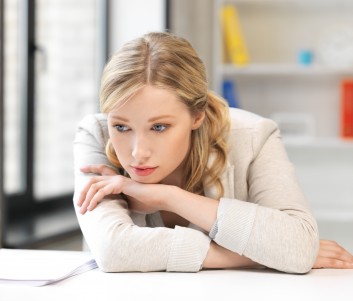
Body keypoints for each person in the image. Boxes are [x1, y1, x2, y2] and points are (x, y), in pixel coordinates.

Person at [73, 32, 353, 273]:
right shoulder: (95, 136)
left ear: (197, 116)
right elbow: (113, 249)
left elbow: (298, 245)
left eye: (159, 127)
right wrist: (245, 256)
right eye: (121, 127)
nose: (137, 153)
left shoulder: (254, 136)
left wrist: (168, 197)